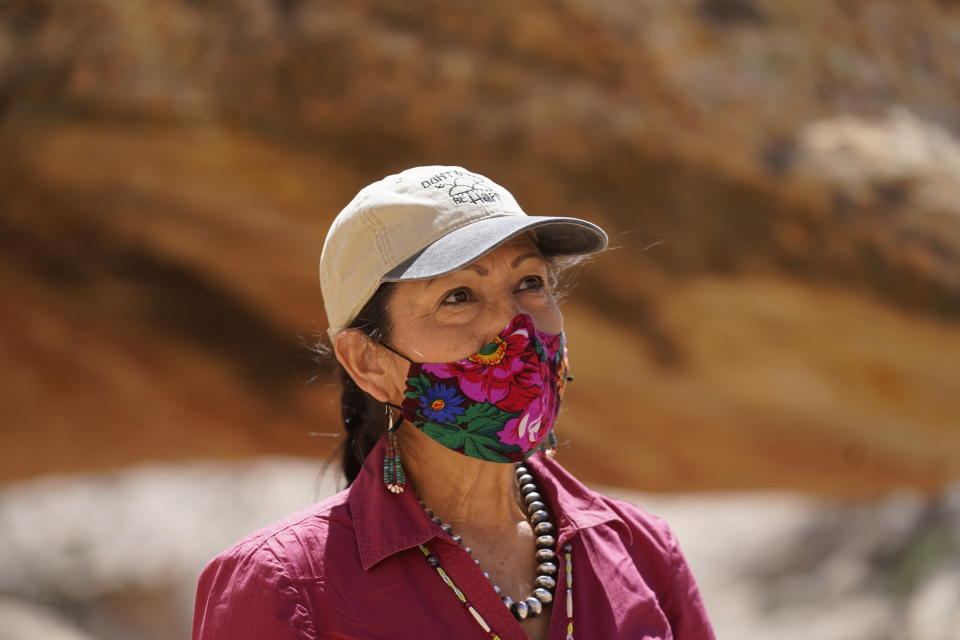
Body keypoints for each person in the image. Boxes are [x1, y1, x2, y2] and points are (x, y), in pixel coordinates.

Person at [192, 165, 717, 640]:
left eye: (529, 282)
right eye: (458, 296)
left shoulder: (643, 551)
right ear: (369, 362)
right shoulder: (285, 585)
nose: (514, 325)